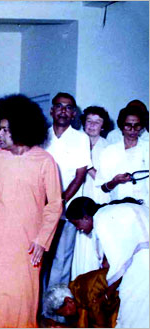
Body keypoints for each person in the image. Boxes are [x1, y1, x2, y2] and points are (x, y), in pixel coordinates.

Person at [0, 94, 62, 327]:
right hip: (0, 239)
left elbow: (55, 205)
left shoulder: (45, 161)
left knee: (24, 296)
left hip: (30, 243)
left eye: (6, 130)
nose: (0, 135)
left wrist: (42, 240)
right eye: (0, 129)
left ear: (22, 128)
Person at [65, 196, 149, 328]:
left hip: (142, 269)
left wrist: (105, 295)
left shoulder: (102, 219)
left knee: (131, 318)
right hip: (143, 264)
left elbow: (119, 264)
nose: (78, 229)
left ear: (86, 217)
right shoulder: (113, 211)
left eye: (76, 224)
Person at [42, 92, 91, 297]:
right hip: (41, 206)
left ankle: (55, 309)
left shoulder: (81, 139)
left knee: (62, 258)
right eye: (59, 106)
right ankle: (35, 307)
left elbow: (80, 175)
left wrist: (60, 201)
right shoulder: (41, 136)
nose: (63, 110)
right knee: (40, 256)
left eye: (69, 107)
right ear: (52, 110)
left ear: (73, 114)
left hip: (67, 207)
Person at [72, 106, 111, 279]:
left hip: (97, 199)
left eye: (97, 122)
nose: (92, 125)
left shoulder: (108, 149)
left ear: (103, 126)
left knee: (97, 243)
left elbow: (106, 181)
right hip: (76, 199)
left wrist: (86, 166)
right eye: (89, 121)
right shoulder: (76, 142)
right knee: (80, 246)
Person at [96, 105, 149, 207]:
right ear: (121, 126)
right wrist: (115, 181)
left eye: (137, 125)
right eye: (128, 125)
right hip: (118, 206)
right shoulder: (109, 151)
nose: (132, 130)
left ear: (141, 126)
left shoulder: (147, 148)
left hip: (145, 207)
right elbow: (103, 188)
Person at [42, 267, 120, 328]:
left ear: (68, 300)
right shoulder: (78, 302)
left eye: (63, 313)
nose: (66, 316)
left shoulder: (84, 287)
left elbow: (118, 273)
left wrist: (106, 296)